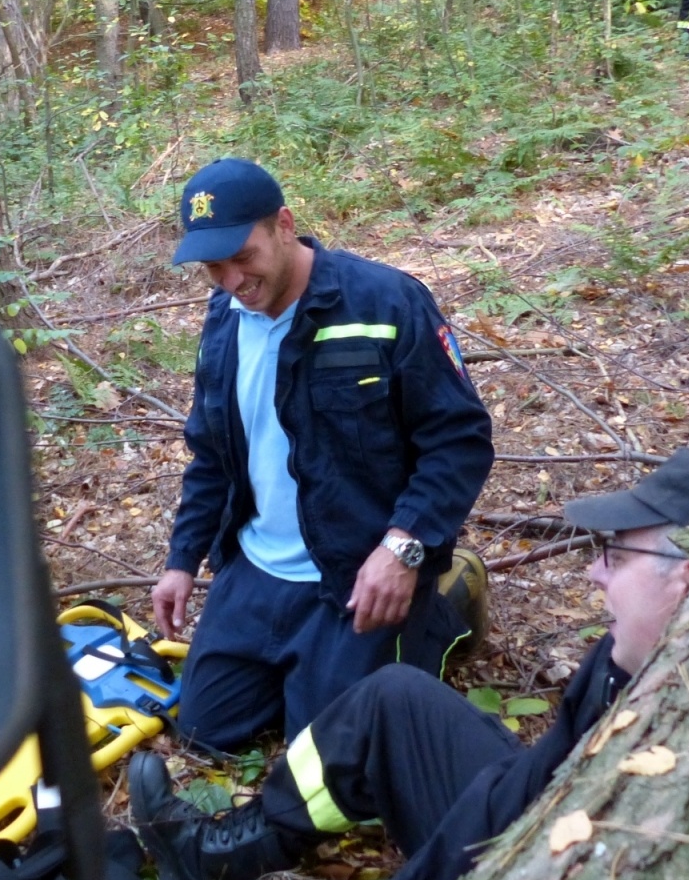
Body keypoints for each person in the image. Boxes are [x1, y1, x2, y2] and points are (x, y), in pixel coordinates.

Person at [0, 448, 689, 880]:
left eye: (617, 556)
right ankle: (219, 852)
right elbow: (529, 790)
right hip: (550, 853)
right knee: (393, 702)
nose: (594, 577)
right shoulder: (631, 664)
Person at [149, 157, 493, 753]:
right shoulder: (224, 322)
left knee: (328, 755)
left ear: (284, 225)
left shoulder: (386, 303)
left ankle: (446, 601)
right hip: (259, 565)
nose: (232, 280)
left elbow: (459, 440)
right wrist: (183, 558)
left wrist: (403, 549)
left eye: (243, 256)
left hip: (358, 568)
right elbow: (211, 453)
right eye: (213, 267)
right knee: (204, 732)